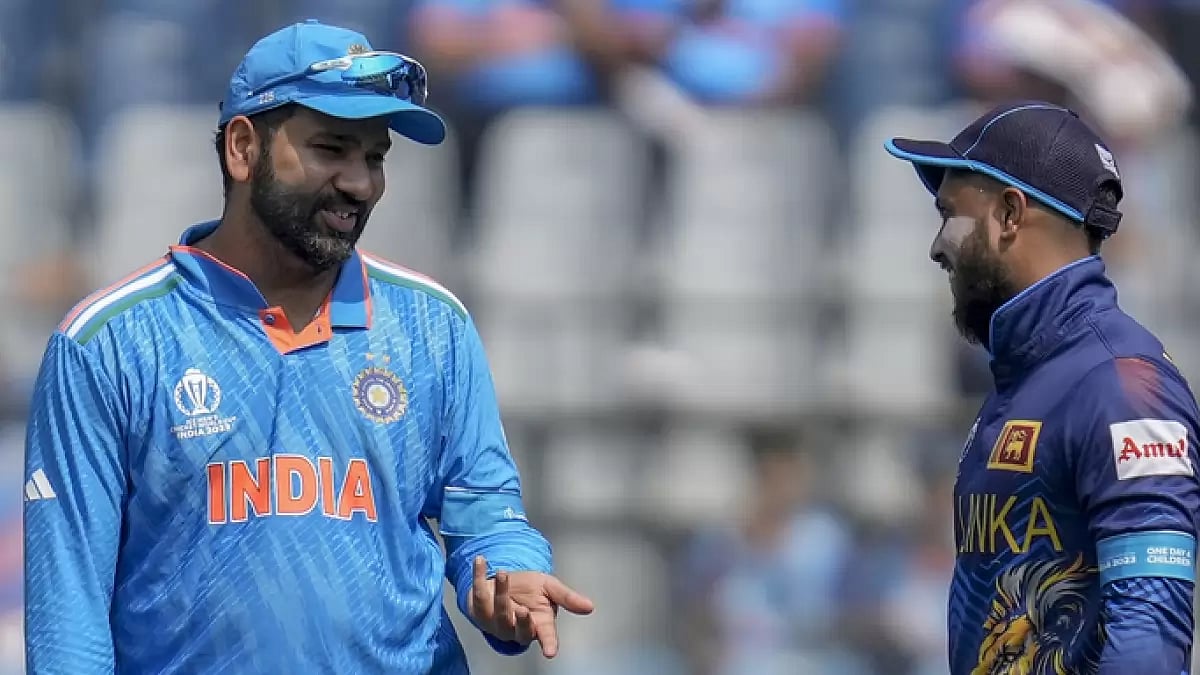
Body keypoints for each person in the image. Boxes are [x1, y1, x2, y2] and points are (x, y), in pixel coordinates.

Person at [23, 20, 593, 674]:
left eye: (375, 157)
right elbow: (68, 618)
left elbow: (487, 517)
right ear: (243, 148)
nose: (360, 184)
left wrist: (511, 573)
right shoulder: (111, 341)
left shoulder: (432, 325)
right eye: (331, 149)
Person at [885, 100, 1200, 674]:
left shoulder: (1122, 383)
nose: (937, 246)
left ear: (1010, 213)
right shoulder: (1026, 375)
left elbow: (1149, 639)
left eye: (949, 214)